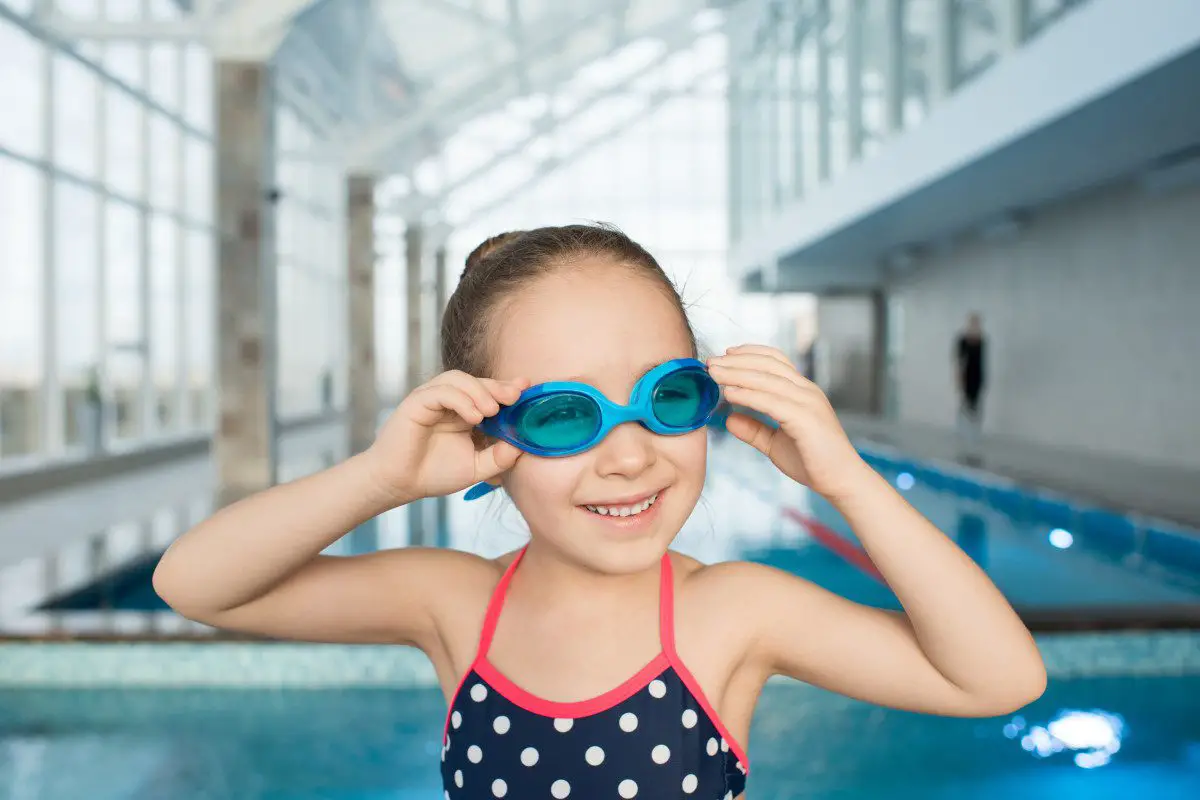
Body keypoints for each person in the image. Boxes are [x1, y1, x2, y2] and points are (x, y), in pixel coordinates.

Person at [152, 225, 1045, 799]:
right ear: (487, 439)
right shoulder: (456, 604)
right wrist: (379, 481)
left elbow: (999, 680)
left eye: (667, 398)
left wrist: (850, 481)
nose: (629, 455)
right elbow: (195, 584)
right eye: (565, 414)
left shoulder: (728, 612)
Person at [955, 313, 986, 446]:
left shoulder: (982, 340)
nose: (975, 325)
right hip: (967, 376)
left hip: (977, 376)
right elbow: (959, 361)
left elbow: (983, 361)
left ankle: (975, 433)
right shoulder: (962, 340)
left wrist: (984, 379)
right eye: (973, 323)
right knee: (965, 404)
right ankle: (962, 430)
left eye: (977, 323)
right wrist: (958, 378)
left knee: (976, 405)